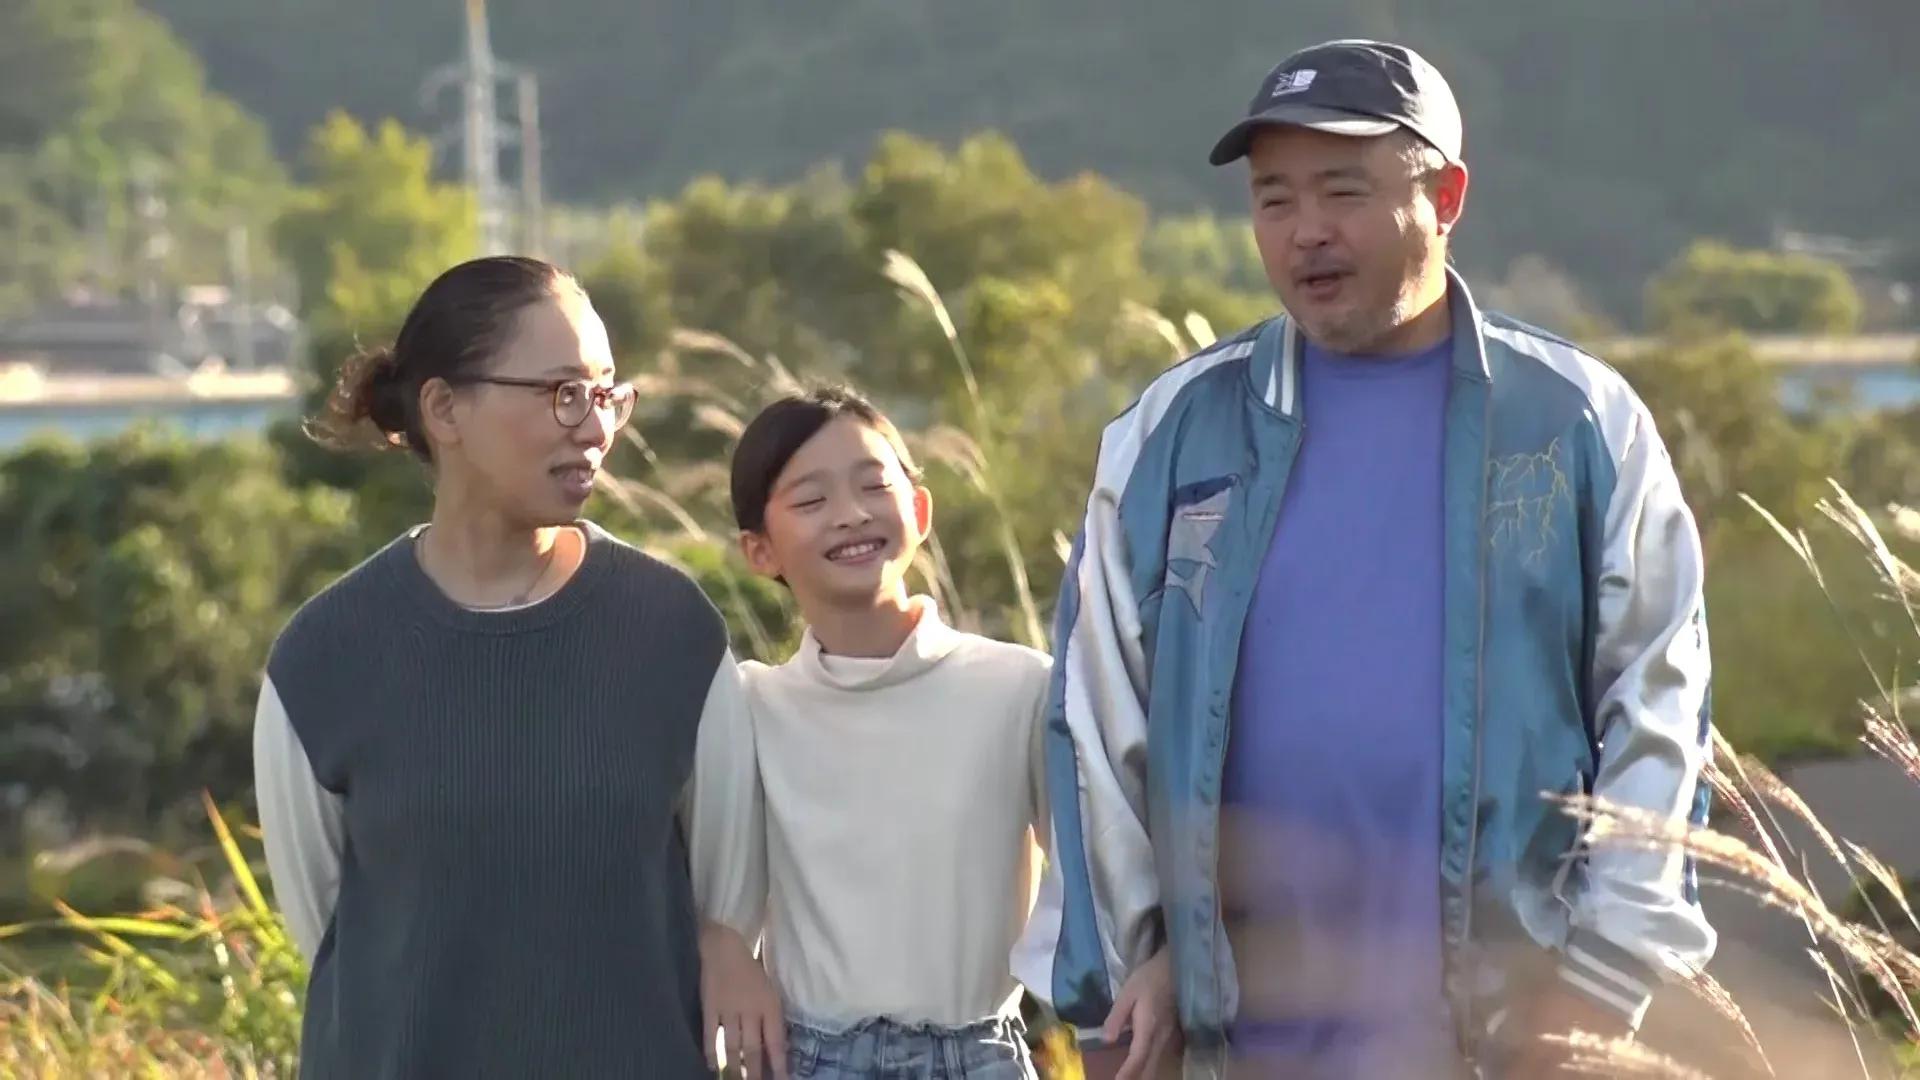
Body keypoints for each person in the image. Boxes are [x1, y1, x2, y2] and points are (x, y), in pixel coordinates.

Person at [1012, 39, 1715, 1079]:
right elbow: (1095, 719)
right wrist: (1131, 965)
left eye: (1343, 191)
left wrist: (1606, 981)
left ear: (1447, 195)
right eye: (1274, 200)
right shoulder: (1174, 434)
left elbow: (1657, 706)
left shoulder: (1576, 423)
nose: (1306, 233)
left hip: (1507, 1040)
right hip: (1235, 1045)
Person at [252, 255, 763, 1078]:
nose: (594, 427)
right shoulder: (324, 658)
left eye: (607, 395)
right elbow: (330, 930)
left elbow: (729, 907)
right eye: (562, 392)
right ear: (445, 408)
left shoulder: (672, 634)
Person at [700, 386, 1053, 1080]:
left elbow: (1099, 883)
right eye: (811, 501)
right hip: (810, 1060)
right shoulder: (749, 707)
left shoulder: (1019, 687)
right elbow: (700, 881)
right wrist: (719, 944)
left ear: (918, 511)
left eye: (874, 485)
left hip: (976, 1054)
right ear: (759, 550)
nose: (852, 514)